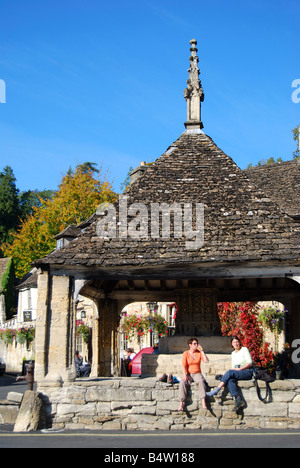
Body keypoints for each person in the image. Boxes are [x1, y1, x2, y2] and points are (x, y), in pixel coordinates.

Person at [206, 336, 253, 410]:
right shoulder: (233, 353)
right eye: (234, 342)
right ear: (232, 344)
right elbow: (234, 366)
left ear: (239, 342)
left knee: (230, 372)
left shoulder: (244, 349)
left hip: (247, 371)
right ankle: (238, 399)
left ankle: (217, 390)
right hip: (237, 372)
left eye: (237, 342)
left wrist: (240, 369)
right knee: (230, 380)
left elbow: (250, 363)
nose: (236, 344)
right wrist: (234, 370)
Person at [178, 337, 209, 411]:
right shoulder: (186, 353)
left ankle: (203, 401)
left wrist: (202, 351)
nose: (196, 345)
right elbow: (184, 365)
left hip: (197, 373)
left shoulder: (199, 353)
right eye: (194, 344)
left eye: (197, 344)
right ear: (190, 345)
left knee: (201, 381)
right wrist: (184, 375)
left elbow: (206, 361)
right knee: (183, 382)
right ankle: (181, 402)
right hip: (188, 373)